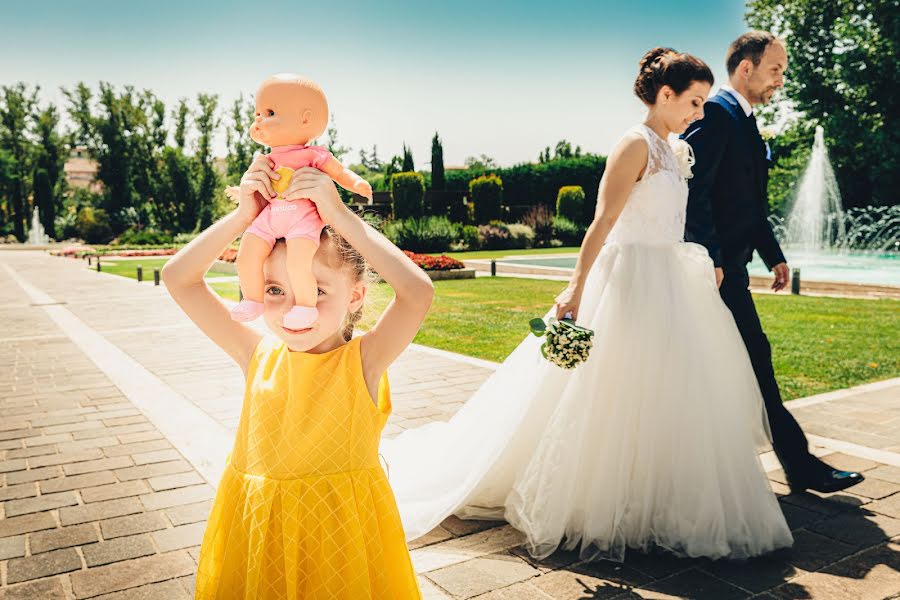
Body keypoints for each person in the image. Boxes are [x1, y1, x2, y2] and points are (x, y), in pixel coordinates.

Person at [380, 48, 792, 562]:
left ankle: (653, 493)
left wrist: (704, 258)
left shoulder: (678, 149)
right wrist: (575, 288)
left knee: (667, 388)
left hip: (671, 279)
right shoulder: (634, 144)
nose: (700, 114)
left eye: (704, 103)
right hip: (629, 281)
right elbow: (602, 222)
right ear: (665, 95)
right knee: (607, 390)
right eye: (694, 102)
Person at [162, 156, 431, 599]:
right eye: (273, 289)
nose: (291, 309)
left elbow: (418, 293)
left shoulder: (364, 362)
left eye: (316, 289)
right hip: (259, 537)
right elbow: (179, 279)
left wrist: (339, 216)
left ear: (356, 296)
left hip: (337, 548)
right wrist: (245, 216)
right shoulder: (255, 354)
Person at [683, 30, 863, 493]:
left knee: (741, 366)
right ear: (746, 68)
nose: (780, 81)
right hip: (715, 274)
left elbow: (748, 203)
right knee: (749, 364)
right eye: (775, 70)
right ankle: (795, 468)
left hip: (733, 270)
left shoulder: (744, 121)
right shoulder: (717, 116)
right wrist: (714, 261)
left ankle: (778, 467)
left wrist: (775, 255)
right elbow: (690, 194)